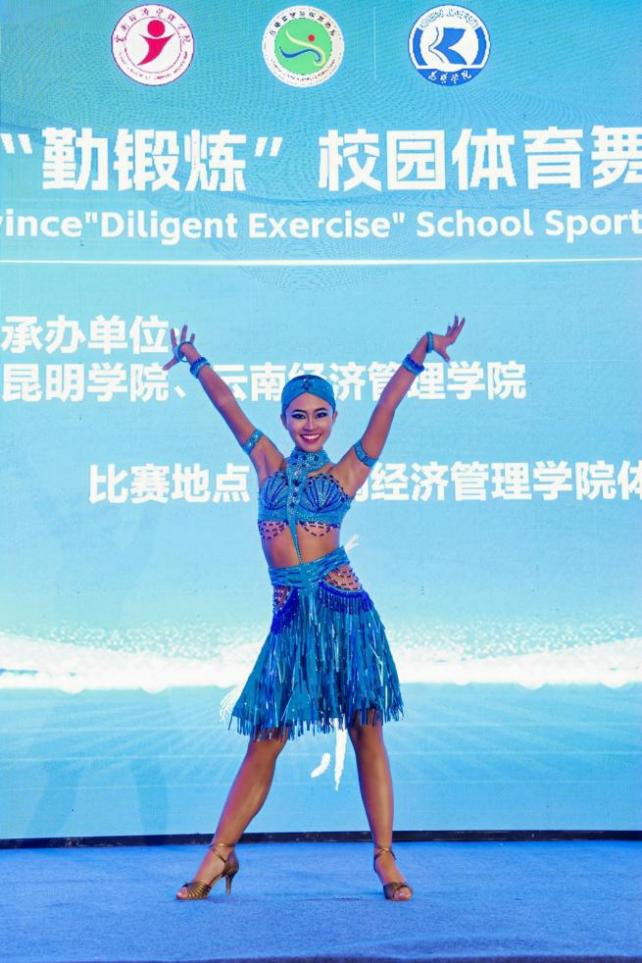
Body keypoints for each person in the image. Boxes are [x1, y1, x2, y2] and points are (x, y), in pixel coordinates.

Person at [163, 316, 466, 902]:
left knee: (366, 730)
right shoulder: (267, 464)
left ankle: (385, 859)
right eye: (299, 415)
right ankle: (219, 854)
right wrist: (195, 360)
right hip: (290, 625)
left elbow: (386, 408)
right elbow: (228, 407)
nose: (309, 424)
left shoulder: (346, 470)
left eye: (320, 414)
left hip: (346, 616)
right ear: (284, 420)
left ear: (333, 418)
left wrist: (422, 349)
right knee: (265, 738)